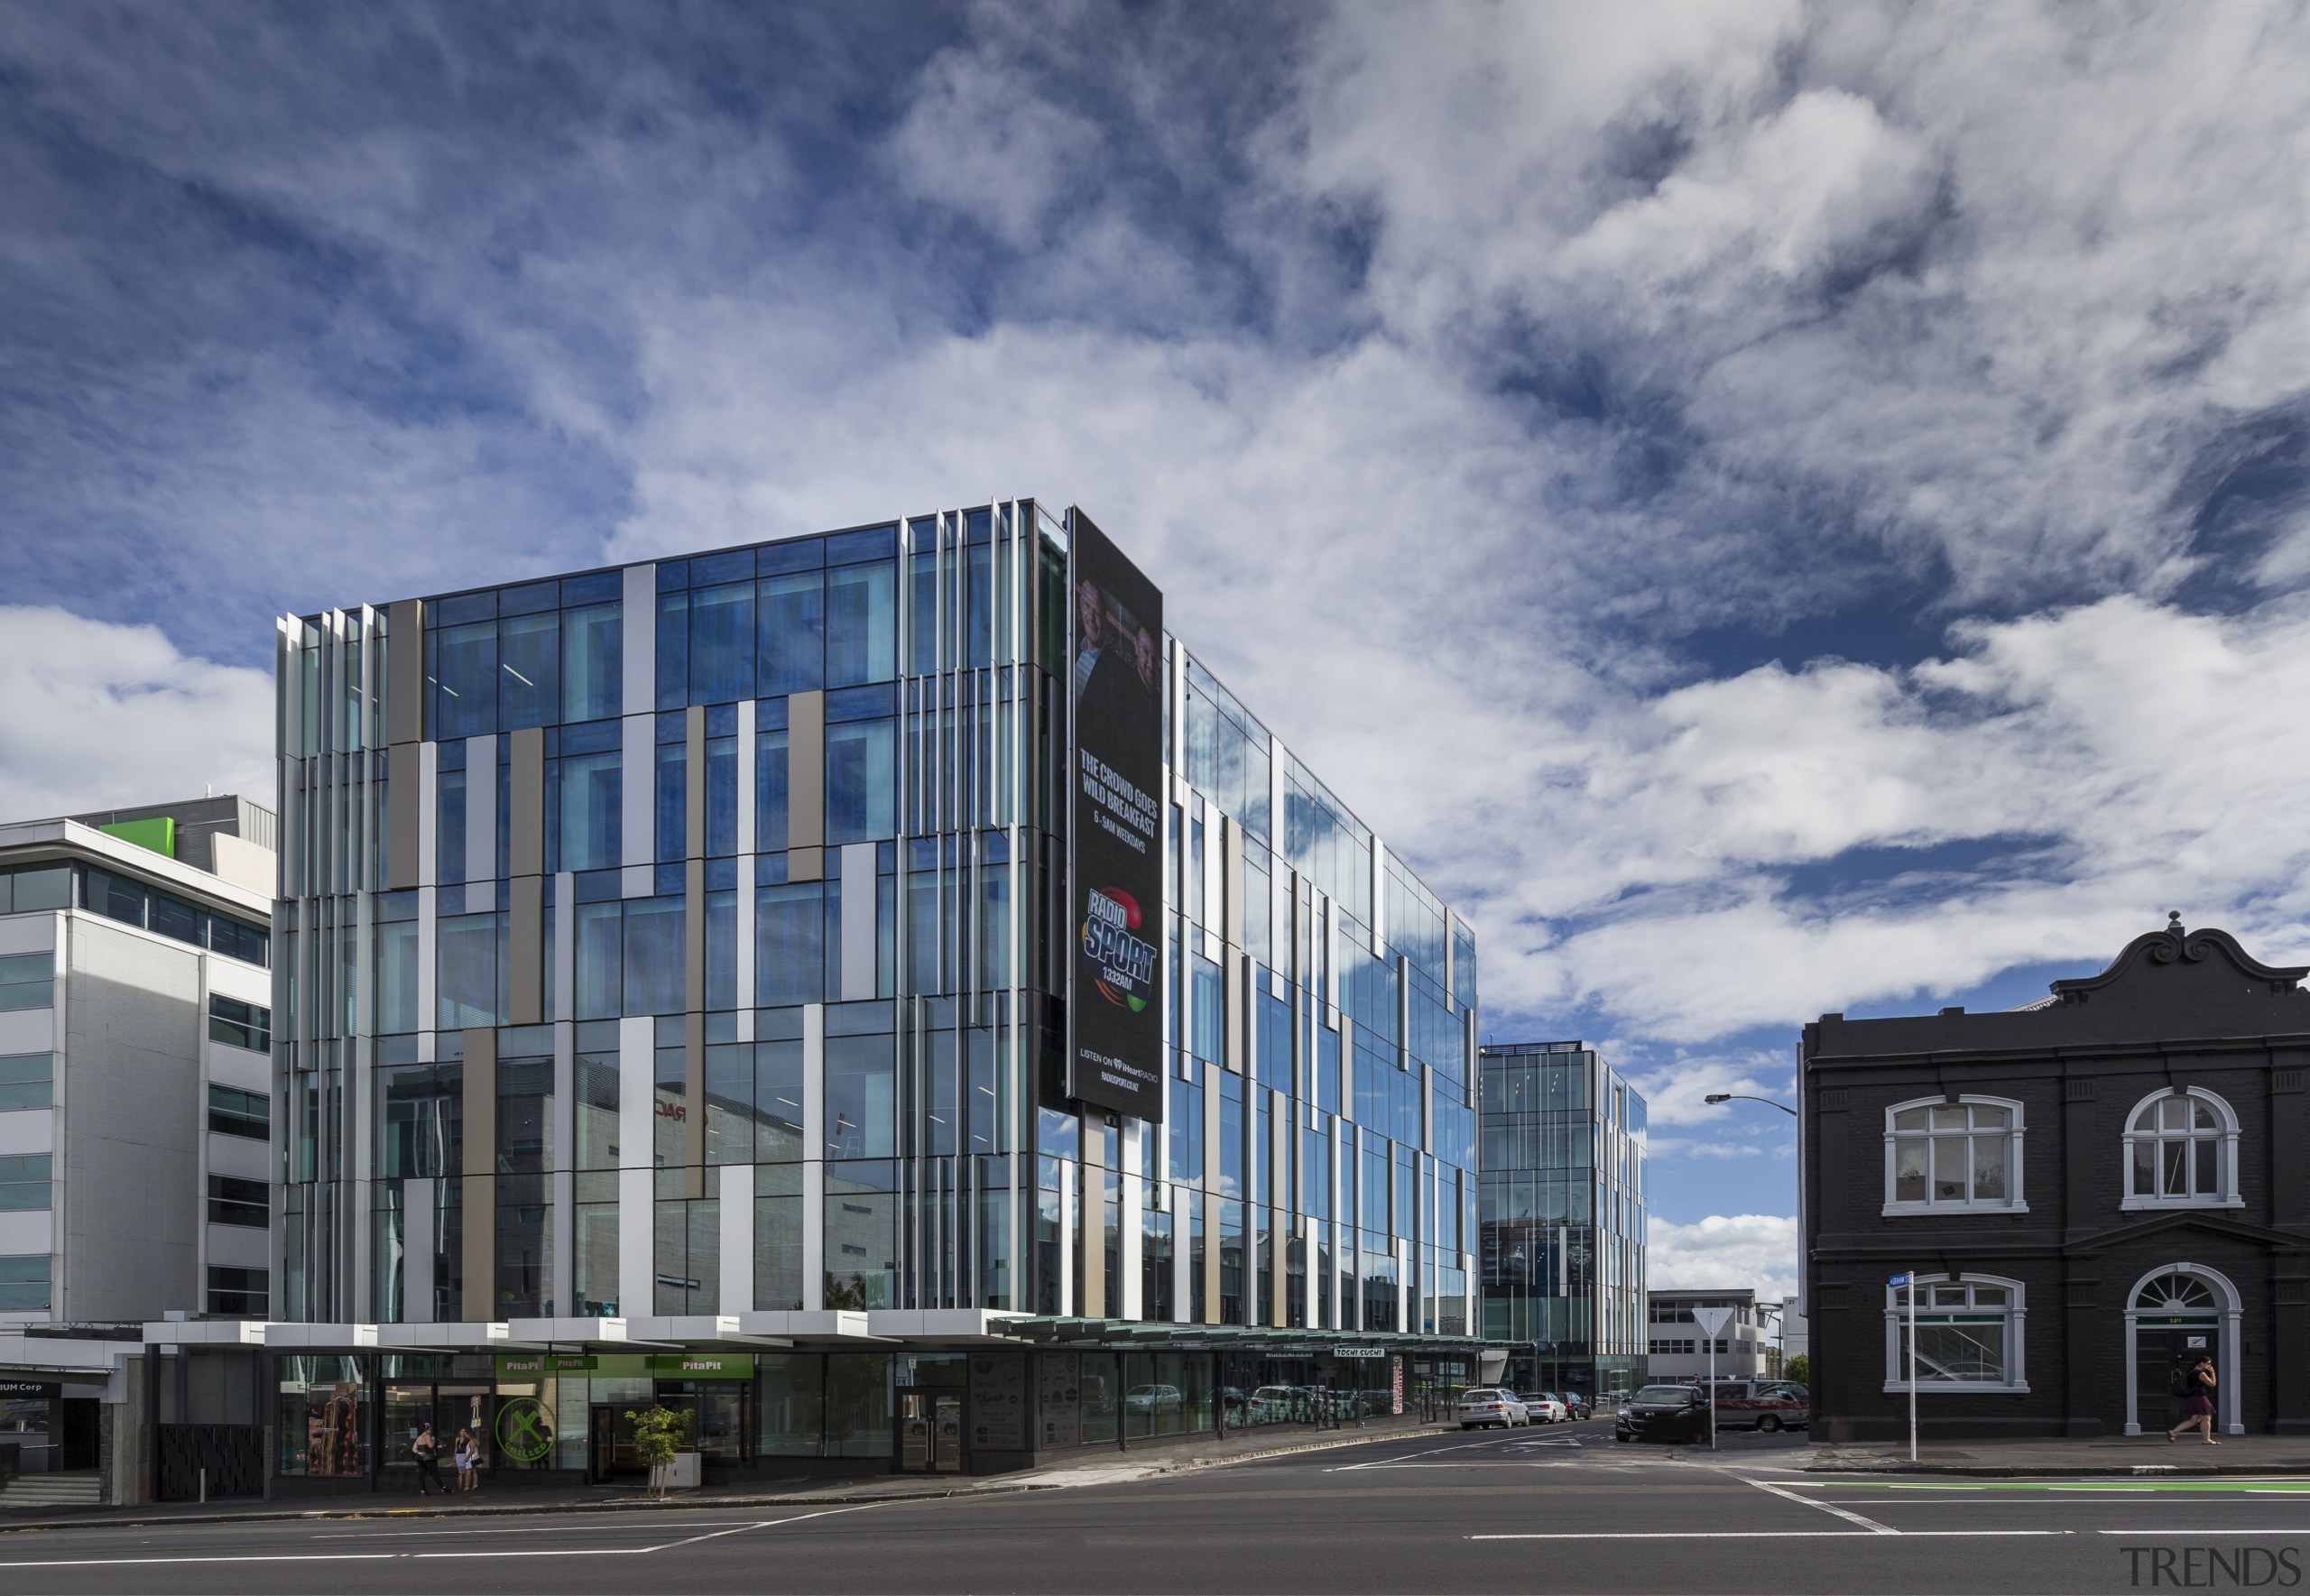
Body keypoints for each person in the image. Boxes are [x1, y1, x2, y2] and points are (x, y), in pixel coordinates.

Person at [2166, 1355, 2220, 1444]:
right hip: (2199, 1397)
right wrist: (2212, 1372)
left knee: (2194, 1419)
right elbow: (2212, 1384)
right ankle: (2206, 1440)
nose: (2209, 1366)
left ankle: (2173, 1432)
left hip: (2190, 1398)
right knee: (2206, 1417)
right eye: (2208, 1364)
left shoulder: (2191, 1372)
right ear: (2202, 1363)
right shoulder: (2200, 1373)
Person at [411, 1420, 444, 1496]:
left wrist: (419, 1453)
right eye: (430, 1429)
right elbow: (431, 1446)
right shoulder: (427, 1436)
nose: (431, 1431)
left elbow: (414, 1449)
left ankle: (423, 1490)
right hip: (428, 1457)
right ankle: (443, 1488)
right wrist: (433, 1439)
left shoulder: (419, 1437)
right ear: (427, 1429)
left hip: (420, 1458)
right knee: (434, 1473)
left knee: (421, 1475)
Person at [454, 1425, 479, 1490]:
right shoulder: (473, 1440)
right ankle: (475, 1484)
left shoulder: (471, 1441)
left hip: (471, 1458)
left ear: (468, 1434)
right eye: (462, 1432)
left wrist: (467, 1457)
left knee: (468, 1472)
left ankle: (467, 1486)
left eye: (465, 1433)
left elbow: (472, 1450)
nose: (464, 1434)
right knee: (474, 1471)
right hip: (475, 1458)